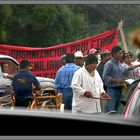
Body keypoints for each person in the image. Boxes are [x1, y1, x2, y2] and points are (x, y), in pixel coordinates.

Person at [102, 46, 139, 113]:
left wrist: (125, 79)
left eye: (121, 53)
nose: (121, 55)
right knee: (111, 110)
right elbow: (105, 77)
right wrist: (117, 80)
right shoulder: (109, 64)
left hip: (120, 90)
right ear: (114, 54)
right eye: (120, 53)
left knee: (118, 111)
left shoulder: (119, 64)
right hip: (112, 90)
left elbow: (123, 72)